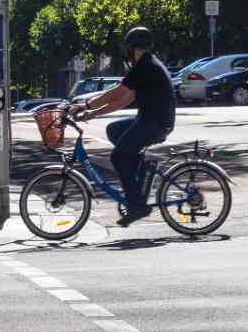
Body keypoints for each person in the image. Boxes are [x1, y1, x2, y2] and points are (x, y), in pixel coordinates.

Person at [73, 26, 176, 226]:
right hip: (151, 120)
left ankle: (137, 205)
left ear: (132, 48)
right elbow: (124, 99)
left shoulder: (145, 66)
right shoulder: (147, 64)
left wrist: (85, 104)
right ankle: (138, 168)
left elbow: (117, 92)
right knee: (114, 130)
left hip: (154, 123)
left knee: (118, 156)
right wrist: (93, 113)